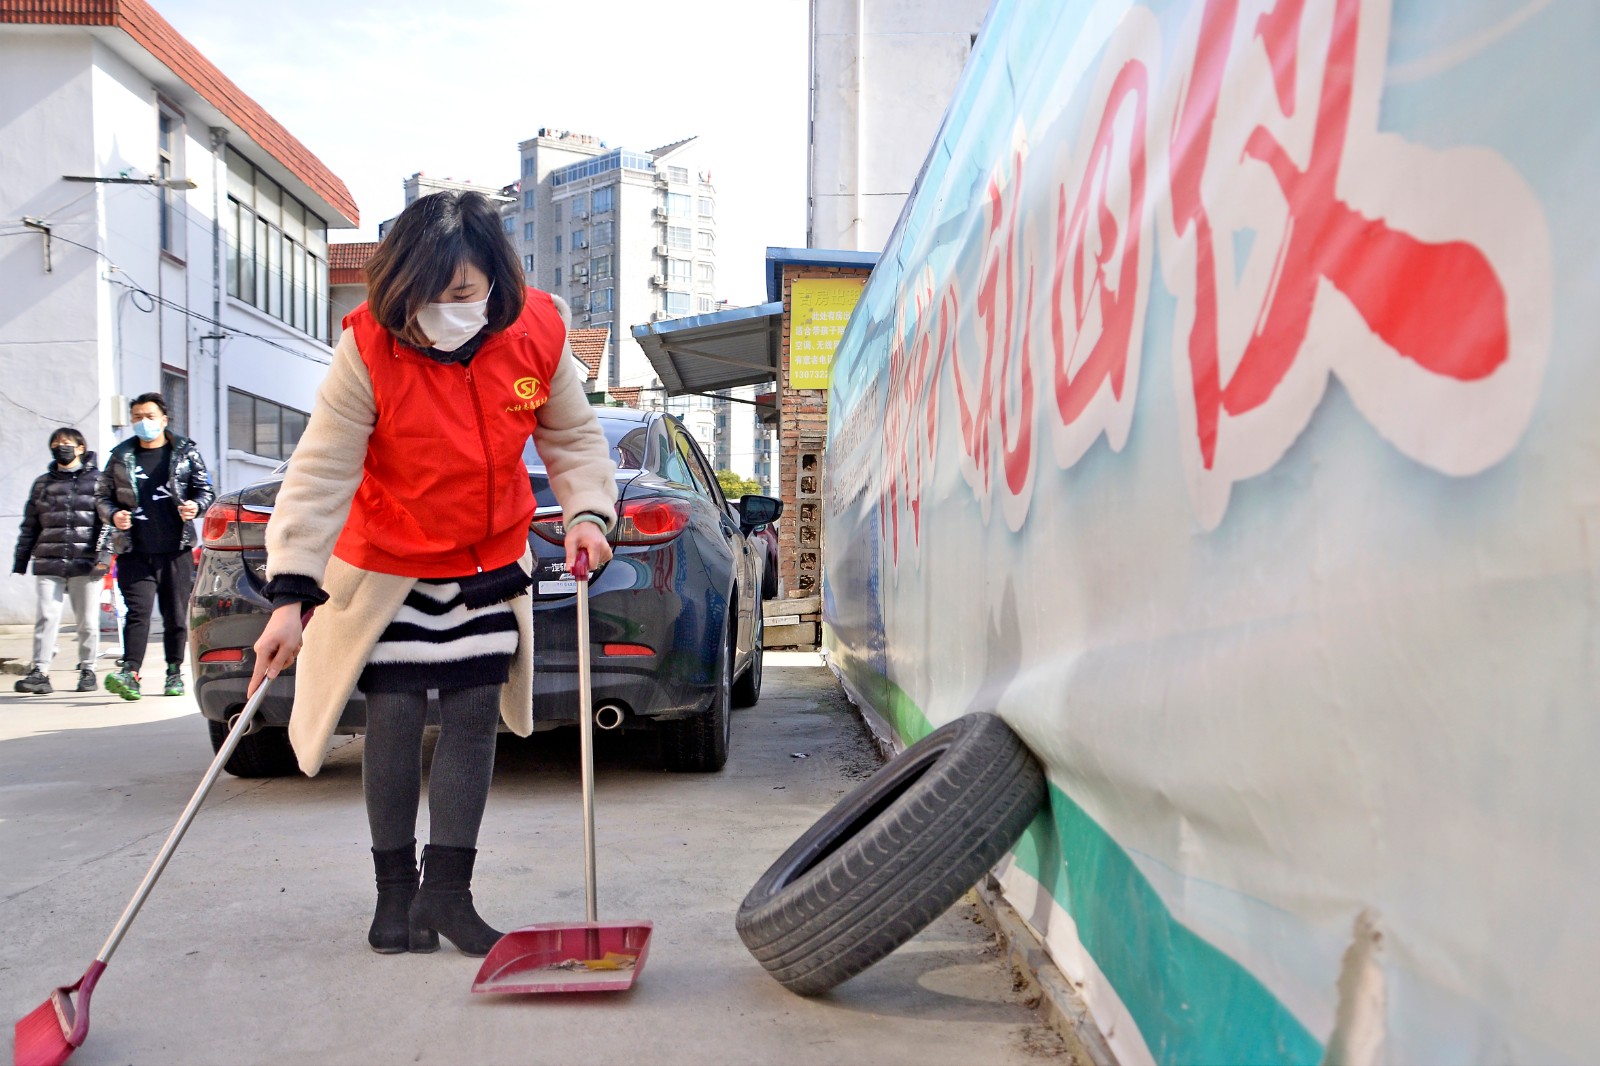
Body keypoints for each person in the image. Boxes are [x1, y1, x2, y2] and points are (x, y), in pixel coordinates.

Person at [247, 191, 618, 958]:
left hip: (485, 559)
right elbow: (321, 472)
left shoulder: (537, 332)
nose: (445, 311)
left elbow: (574, 437)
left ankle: (447, 894)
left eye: (462, 294)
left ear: (494, 281)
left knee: (476, 711)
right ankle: (395, 898)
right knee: (396, 715)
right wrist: (289, 595)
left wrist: (587, 514)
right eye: (427, 297)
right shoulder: (368, 349)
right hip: (388, 561)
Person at [94, 393, 214, 700]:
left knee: (175, 614)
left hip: (175, 548)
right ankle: (130, 673)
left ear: (163, 420)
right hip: (134, 548)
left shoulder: (185, 453)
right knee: (138, 612)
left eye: (149, 416)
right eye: (136, 418)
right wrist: (113, 514)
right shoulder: (120, 456)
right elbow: (102, 496)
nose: (142, 423)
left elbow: (206, 491)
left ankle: (173, 672)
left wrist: (195, 507)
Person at [12, 428, 104, 694]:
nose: (59, 447)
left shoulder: (98, 481)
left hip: (85, 562)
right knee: (47, 616)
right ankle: (40, 671)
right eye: (55, 443)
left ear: (80, 448)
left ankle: (88, 669)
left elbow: (108, 524)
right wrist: (21, 559)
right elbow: (30, 524)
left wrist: (104, 557)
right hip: (48, 560)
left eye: (65, 443)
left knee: (86, 620)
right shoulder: (42, 483)